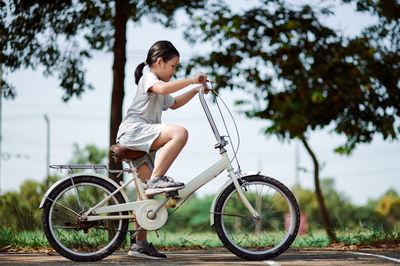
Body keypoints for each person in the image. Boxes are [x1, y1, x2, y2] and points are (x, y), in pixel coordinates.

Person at [115, 40, 207, 259]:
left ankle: (139, 245)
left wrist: (196, 89)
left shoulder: (160, 85)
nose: (174, 71)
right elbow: (165, 88)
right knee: (180, 133)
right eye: (173, 66)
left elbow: (173, 103)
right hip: (135, 132)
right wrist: (191, 79)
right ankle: (158, 178)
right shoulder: (150, 78)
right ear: (159, 62)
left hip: (142, 138)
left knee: (145, 196)